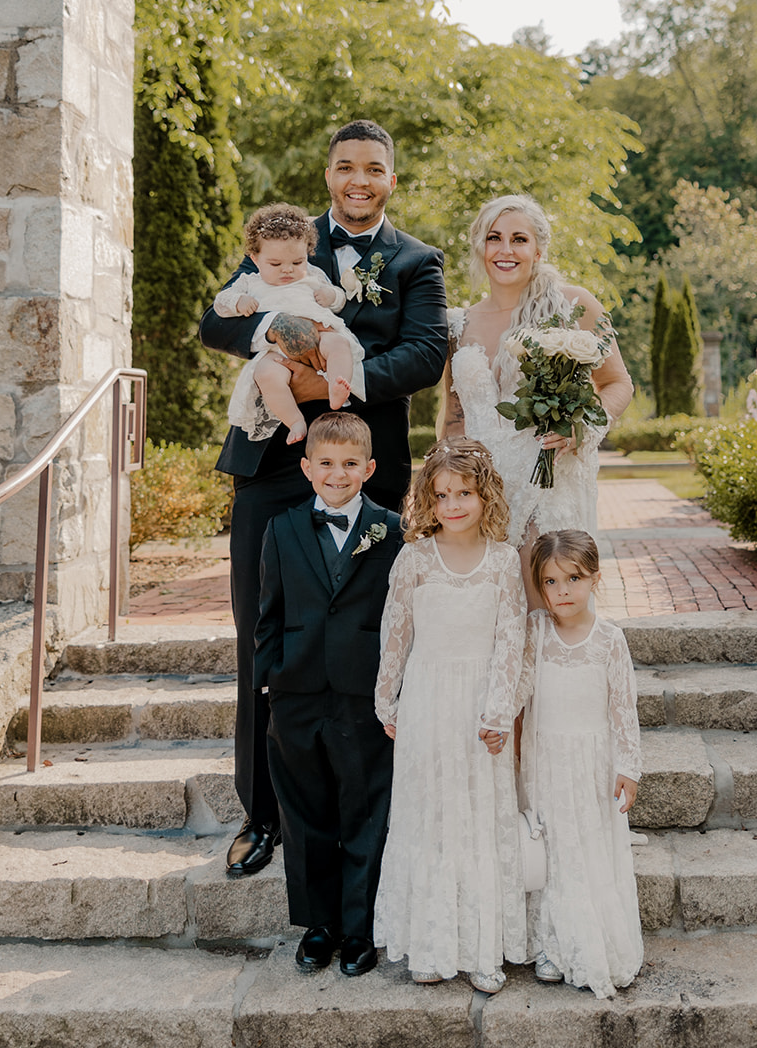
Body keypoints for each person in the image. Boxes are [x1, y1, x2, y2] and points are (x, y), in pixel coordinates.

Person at [200, 119, 447, 878]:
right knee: (261, 635)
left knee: (364, 637)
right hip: (271, 464)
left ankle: (361, 813)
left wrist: (330, 381)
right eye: (346, 167)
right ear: (329, 173)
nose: (359, 179)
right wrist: (277, 342)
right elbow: (215, 320)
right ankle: (261, 814)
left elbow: (426, 352)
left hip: (365, 468)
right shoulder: (282, 238)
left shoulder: (415, 260)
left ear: (391, 179)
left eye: (374, 168)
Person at [373, 438, 527, 995]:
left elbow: (512, 640)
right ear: (428, 502)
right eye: (442, 496)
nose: (454, 504)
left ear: (484, 495)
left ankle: (483, 949)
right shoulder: (414, 558)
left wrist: (499, 709)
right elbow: (396, 633)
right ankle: (433, 943)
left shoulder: (505, 561)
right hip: (427, 702)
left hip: (480, 707)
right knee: (430, 817)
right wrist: (385, 699)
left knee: (480, 819)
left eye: (465, 493)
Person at [253, 411, 402, 977]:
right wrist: (271, 681)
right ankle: (318, 926)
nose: (336, 474)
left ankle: (360, 927)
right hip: (296, 693)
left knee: (365, 811)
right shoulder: (282, 528)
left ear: (368, 467)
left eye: (348, 464)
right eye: (325, 464)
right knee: (306, 814)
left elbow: (399, 618)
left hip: (363, 694)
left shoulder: (391, 530)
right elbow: (268, 615)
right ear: (306, 467)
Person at [441, 194, 633, 605]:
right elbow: (455, 418)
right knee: (493, 616)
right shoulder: (459, 324)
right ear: (480, 246)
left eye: (519, 239)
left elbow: (618, 383)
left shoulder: (574, 306)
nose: (505, 250)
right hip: (483, 492)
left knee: (549, 607)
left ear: (538, 249)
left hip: (548, 483)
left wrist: (582, 430)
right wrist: (447, 486)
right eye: (494, 238)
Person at [519, 529, 643, 996]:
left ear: (595, 578)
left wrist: (628, 766)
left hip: (592, 765)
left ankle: (586, 937)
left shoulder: (610, 640)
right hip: (545, 760)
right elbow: (519, 690)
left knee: (586, 850)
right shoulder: (536, 631)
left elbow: (622, 710)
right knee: (551, 850)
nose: (562, 591)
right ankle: (550, 941)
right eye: (550, 582)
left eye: (573, 579)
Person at [214, 204, 365, 444]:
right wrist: (239, 302)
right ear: (255, 259)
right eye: (275, 264)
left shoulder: (313, 275)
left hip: (320, 332)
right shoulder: (249, 282)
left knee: (338, 344)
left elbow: (337, 298)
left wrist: (331, 296)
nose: (287, 270)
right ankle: (294, 420)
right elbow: (220, 304)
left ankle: (337, 386)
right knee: (266, 374)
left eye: (297, 262)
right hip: (274, 351)